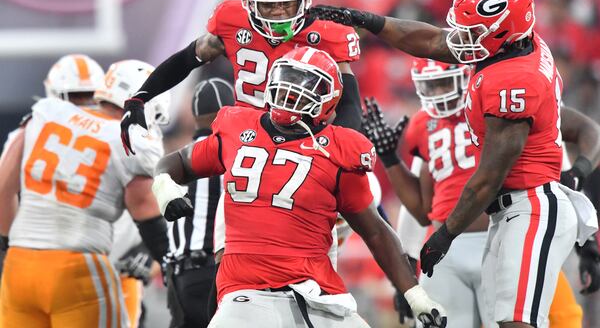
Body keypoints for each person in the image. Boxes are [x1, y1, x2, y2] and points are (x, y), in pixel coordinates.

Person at [308, 0, 600, 328]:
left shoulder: (513, 82)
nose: (463, 39)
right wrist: (369, 21)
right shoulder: (518, 43)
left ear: (502, 31)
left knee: (518, 323)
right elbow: (433, 41)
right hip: (511, 211)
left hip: (532, 207)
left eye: (473, 30)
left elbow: (488, 178)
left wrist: (445, 235)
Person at [152, 47, 448, 328]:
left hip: (317, 290)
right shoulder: (237, 127)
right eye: (288, 80)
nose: (291, 90)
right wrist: (164, 186)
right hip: (247, 288)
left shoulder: (340, 149)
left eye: (305, 84)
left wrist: (415, 294)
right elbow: (176, 163)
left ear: (329, 99)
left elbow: (375, 230)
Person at [363, 58, 600, 327]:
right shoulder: (423, 125)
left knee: (539, 319)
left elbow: (559, 154)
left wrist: (587, 244)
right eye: (431, 86)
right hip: (446, 247)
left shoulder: (499, 100)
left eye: (443, 84)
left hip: (503, 233)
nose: (439, 94)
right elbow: (422, 209)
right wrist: (389, 158)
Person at [120, 0, 364, 156]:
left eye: (288, 3)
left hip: (304, 143)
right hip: (246, 140)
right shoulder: (232, 21)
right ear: (248, 2)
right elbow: (187, 59)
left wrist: (336, 147)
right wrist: (140, 97)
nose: (279, 13)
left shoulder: (327, 33)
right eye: (269, 6)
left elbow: (350, 103)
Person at [0, 59, 170, 328]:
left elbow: (3, 187)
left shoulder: (43, 114)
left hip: (20, 263)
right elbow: (145, 210)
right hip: (78, 265)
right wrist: (171, 262)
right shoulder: (129, 140)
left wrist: (6, 248)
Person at [164, 77, 235, 328]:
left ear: (195, 117)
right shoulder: (232, 154)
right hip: (213, 273)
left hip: (178, 276)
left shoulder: (176, 159)